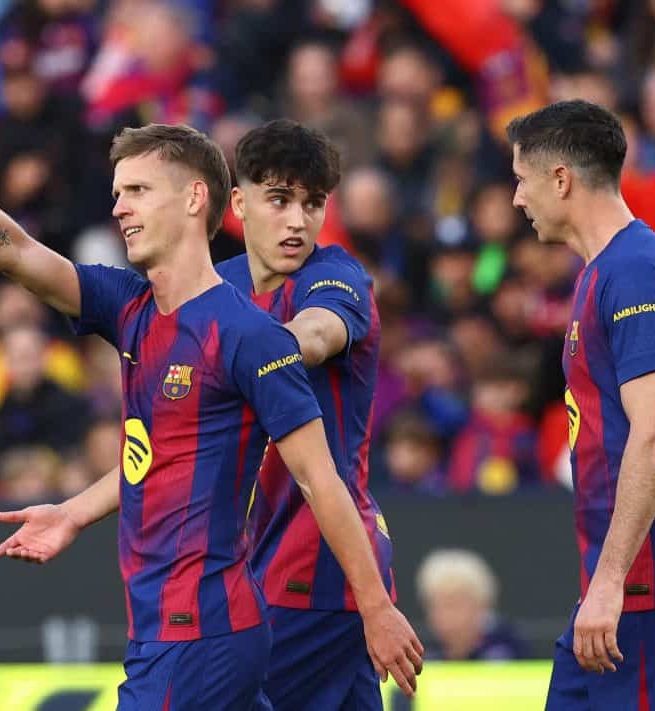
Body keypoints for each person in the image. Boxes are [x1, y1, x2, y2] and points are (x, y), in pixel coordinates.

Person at [0, 100, 422, 708]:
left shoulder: (266, 323)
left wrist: (377, 606)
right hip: (198, 614)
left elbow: (317, 442)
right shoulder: (135, 306)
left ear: (193, 200)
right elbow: (15, 252)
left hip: (218, 620)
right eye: (117, 191)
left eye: (136, 190)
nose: (118, 207)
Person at [507, 99, 655, 711]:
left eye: (521, 180)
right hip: (626, 588)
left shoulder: (635, 270)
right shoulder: (602, 272)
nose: (516, 200)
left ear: (561, 179)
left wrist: (611, 582)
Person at [215, 119, 405, 710]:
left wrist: (253, 351)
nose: (298, 220)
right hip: (272, 565)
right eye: (279, 199)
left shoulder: (334, 275)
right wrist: (75, 510)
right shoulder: (216, 290)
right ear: (239, 203)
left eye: (312, 203)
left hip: (314, 565)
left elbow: (318, 332)